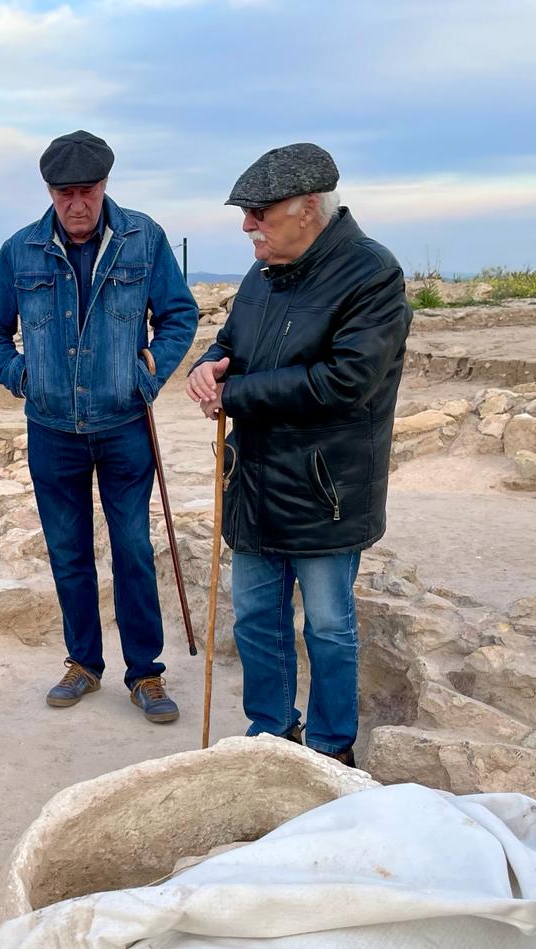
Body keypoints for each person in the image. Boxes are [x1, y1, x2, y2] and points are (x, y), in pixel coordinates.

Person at [185, 142, 411, 766]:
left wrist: (237, 391)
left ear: (308, 207)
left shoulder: (372, 274)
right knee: (256, 618)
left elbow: (346, 381)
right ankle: (270, 732)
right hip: (255, 477)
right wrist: (209, 370)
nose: (246, 225)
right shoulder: (262, 275)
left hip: (325, 486)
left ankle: (332, 749)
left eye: (258, 212)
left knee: (329, 628)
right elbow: (230, 342)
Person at [0, 131, 199, 723]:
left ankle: (146, 672)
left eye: (87, 191)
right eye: (64, 191)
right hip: (51, 428)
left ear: (105, 186)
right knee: (68, 553)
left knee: (132, 549)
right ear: (49, 191)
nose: (76, 203)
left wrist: (150, 372)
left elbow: (179, 316)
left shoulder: (143, 239)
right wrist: (23, 376)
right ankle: (83, 663)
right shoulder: (20, 249)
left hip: (125, 423)